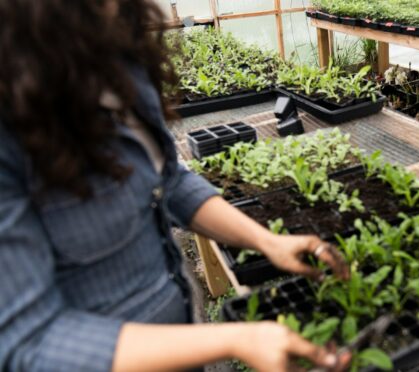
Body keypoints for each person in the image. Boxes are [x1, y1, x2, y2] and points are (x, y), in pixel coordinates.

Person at [0, 1, 350, 371]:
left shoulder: (118, 62)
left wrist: (267, 241)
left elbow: (167, 179)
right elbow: (30, 340)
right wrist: (236, 338)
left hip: (181, 343)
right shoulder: (11, 125)